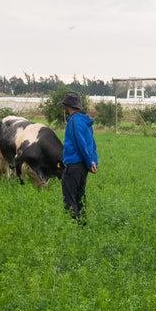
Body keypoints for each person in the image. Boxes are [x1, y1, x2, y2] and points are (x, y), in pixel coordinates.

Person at [60, 91, 98, 220]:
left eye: (65, 105)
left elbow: (80, 143)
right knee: (80, 196)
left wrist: (89, 163)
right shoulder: (85, 121)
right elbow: (92, 144)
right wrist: (93, 162)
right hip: (83, 167)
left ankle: (72, 227)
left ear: (67, 106)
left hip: (74, 164)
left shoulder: (74, 120)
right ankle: (82, 226)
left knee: (70, 198)